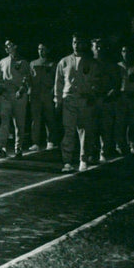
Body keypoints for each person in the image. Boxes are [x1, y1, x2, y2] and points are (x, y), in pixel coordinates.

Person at [54, 33, 100, 173]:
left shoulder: (91, 63)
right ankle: (67, 161)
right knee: (68, 130)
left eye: (79, 42)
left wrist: (93, 95)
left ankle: (83, 159)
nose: (76, 45)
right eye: (74, 42)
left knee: (84, 131)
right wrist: (58, 100)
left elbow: (97, 82)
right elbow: (58, 82)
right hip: (69, 100)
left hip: (84, 100)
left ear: (84, 44)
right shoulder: (64, 61)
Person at [0, 39, 30, 157]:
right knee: (4, 122)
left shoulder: (23, 62)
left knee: (19, 124)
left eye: (9, 45)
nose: (6, 48)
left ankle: (18, 148)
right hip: (6, 96)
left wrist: (21, 90)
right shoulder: (2, 62)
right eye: (5, 46)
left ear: (15, 46)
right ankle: (2, 147)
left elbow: (27, 79)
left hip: (19, 96)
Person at [91, 38, 120, 163]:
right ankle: (92, 152)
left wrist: (110, 94)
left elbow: (116, 83)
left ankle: (103, 152)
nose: (98, 49)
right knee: (91, 128)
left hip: (106, 99)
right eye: (96, 46)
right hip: (92, 99)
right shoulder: (87, 63)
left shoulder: (110, 64)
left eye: (101, 46)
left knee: (105, 128)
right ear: (92, 48)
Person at [115, 45, 134, 155]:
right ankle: (119, 144)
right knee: (120, 122)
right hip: (121, 97)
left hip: (133, 97)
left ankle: (132, 144)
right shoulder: (118, 66)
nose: (126, 53)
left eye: (128, 51)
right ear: (121, 53)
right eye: (123, 51)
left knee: (133, 122)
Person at [28, 42, 57, 152]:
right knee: (35, 120)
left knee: (49, 119)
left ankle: (50, 141)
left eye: (43, 49)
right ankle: (35, 142)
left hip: (47, 95)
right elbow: (29, 79)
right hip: (36, 95)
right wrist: (30, 91)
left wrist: (53, 93)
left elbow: (56, 80)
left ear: (48, 50)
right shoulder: (33, 63)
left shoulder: (52, 64)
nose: (41, 51)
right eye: (39, 49)